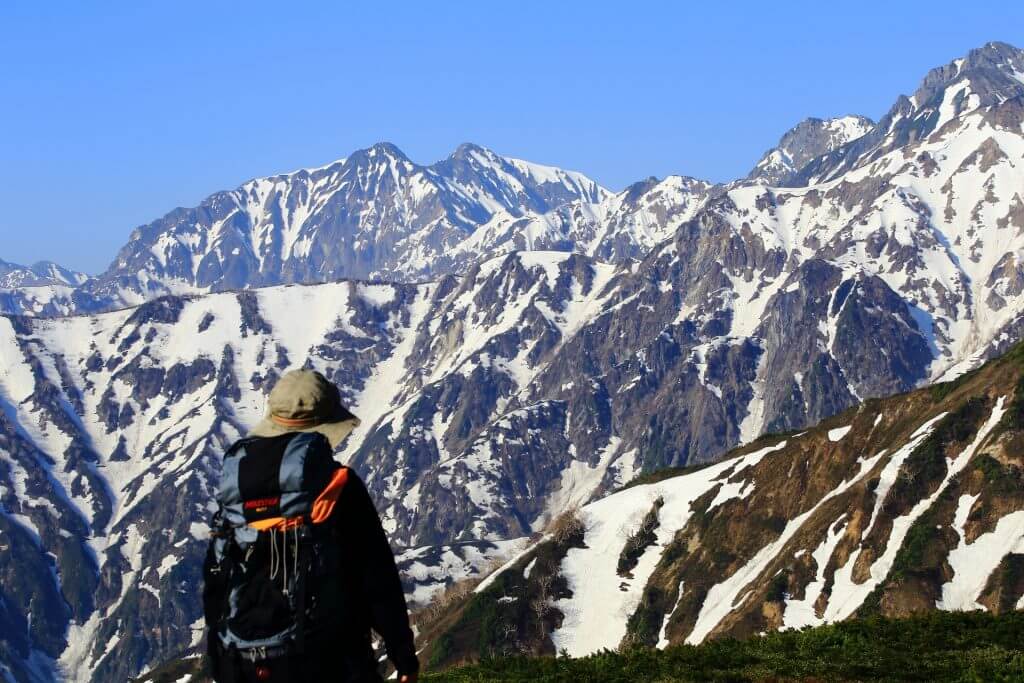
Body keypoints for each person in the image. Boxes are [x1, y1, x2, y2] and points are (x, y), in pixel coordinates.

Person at [203, 369, 419, 682]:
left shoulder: (235, 489)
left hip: (246, 662)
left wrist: (222, 663)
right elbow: (376, 578)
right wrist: (404, 658)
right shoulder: (336, 485)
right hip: (333, 659)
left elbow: (216, 581)